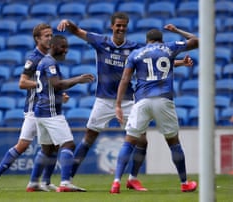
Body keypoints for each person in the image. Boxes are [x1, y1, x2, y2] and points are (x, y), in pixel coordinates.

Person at [57, 12, 193, 192]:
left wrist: (180, 63)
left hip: (129, 100)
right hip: (104, 99)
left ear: (127, 27)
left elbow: (152, 60)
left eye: (124, 26)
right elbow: (78, 31)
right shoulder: (101, 41)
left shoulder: (135, 47)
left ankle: (132, 179)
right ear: (112, 26)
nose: (121, 28)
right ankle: (67, 180)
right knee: (89, 137)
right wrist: (68, 22)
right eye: (118, 25)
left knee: (142, 141)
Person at [110, 25, 199, 194]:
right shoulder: (169, 47)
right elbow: (196, 41)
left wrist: (118, 104)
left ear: (147, 41)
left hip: (142, 101)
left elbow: (125, 78)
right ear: (161, 40)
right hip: (163, 99)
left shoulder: (136, 53)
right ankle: (184, 183)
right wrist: (178, 31)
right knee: (173, 142)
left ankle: (116, 182)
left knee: (129, 141)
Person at [0, 23, 61, 192]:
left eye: (51, 35)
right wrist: (43, 85)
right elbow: (22, 82)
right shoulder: (34, 58)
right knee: (24, 145)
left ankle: (43, 183)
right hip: (35, 109)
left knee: (53, 145)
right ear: (37, 39)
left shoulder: (49, 57)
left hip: (45, 108)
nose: (50, 38)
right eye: (46, 36)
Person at [26, 35, 94, 192]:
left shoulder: (44, 62)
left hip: (40, 111)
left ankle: (33, 183)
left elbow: (51, 87)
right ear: (53, 46)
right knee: (68, 144)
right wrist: (78, 79)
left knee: (47, 149)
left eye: (66, 46)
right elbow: (56, 84)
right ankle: (65, 183)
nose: (66, 50)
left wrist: (60, 95)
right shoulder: (50, 62)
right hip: (51, 112)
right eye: (62, 46)